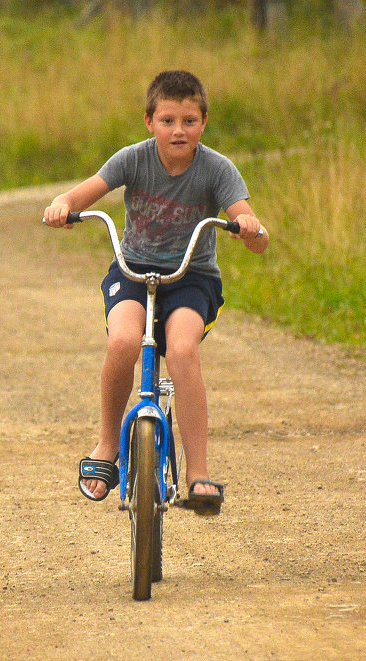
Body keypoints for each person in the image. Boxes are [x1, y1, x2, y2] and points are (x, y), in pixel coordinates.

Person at [43, 70, 269, 515]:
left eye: (188, 120)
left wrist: (250, 230)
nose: (178, 130)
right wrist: (62, 207)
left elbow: (251, 224)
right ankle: (107, 446)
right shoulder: (132, 159)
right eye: (167, 120)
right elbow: (80, 195)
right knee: (124, 341)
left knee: (183, 350)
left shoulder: (217, 169)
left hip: (191, 277)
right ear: (149, 122)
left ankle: (198, 474)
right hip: (132, 271)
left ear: (204, 122)